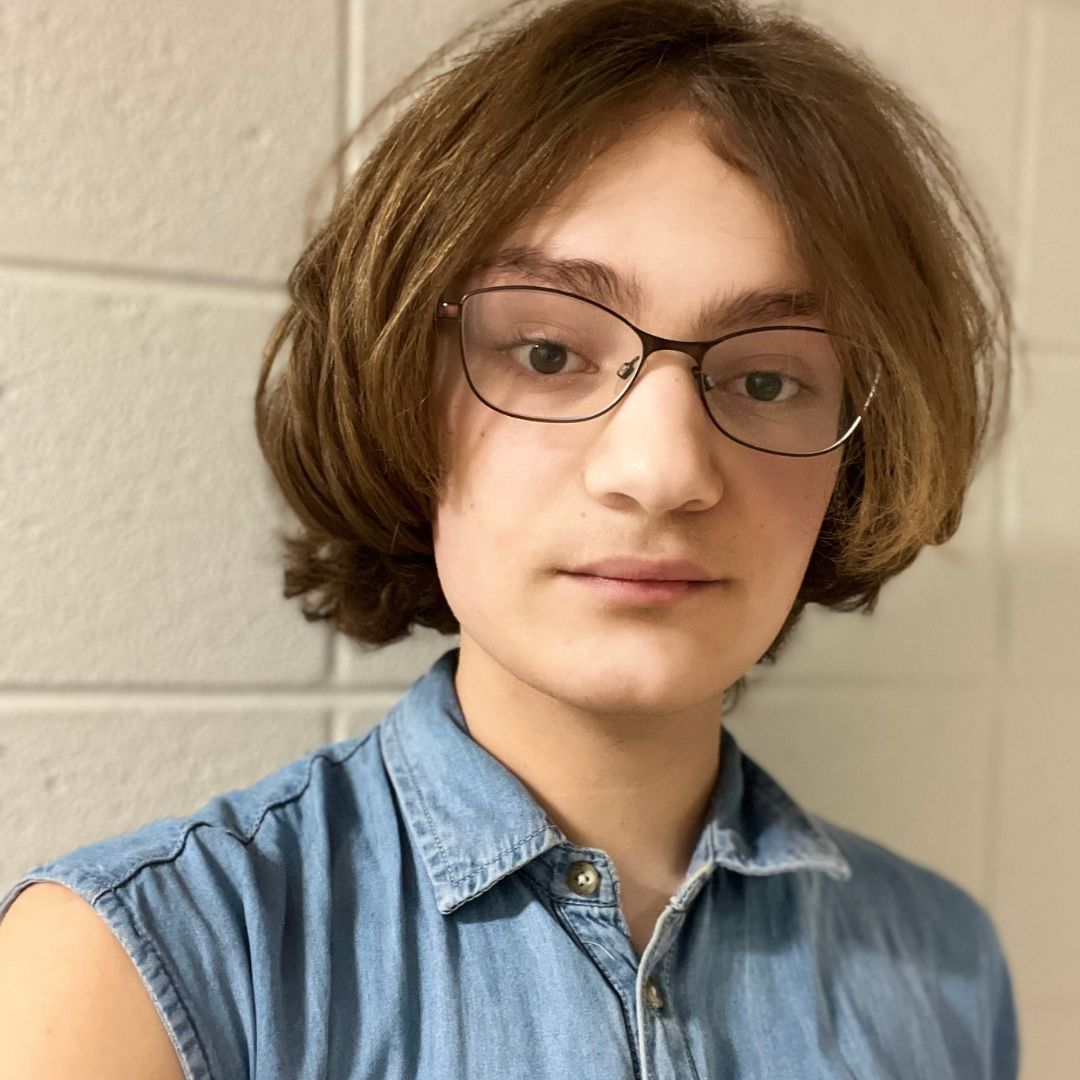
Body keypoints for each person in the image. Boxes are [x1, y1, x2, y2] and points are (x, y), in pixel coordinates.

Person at [0, 0, 1018, 1077]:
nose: (662, 472)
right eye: (545, 352)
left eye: (769, 379)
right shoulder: (140, 971)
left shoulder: (943, 969)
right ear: (401, 387)